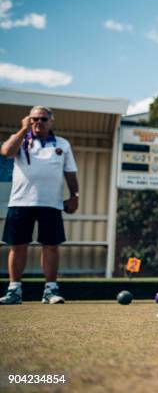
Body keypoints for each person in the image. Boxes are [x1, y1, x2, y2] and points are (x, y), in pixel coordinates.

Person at [0, 106, 79, 305]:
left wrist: (74, 196)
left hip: (51, 204)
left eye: (43, 119)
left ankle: (51, 290)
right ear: (28, 119)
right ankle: (14, 290)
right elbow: (6, 152)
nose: (38, 122)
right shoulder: (20, 139)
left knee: (51, 246)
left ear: (51, 122)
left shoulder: (62, 144)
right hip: (21, 201)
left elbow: (70, 173)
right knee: (18, 246)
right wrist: (22, 130)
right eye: (34, 118)